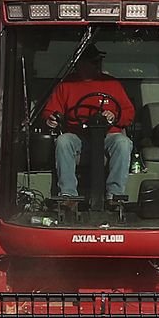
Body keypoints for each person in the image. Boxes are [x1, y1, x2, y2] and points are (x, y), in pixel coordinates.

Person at [39, 45, 136, 203]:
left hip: (108, 136)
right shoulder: (67, 85)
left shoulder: (112, 84)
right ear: (79, 63)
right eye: (88, 62)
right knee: (63, 141)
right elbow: (50, 111)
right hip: (79, 137)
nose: (93, 66)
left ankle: (115, 195)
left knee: (123, 143)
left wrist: (114, 115)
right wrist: (51, 118)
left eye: (94, 62)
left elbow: (129, 113)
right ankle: (68, 195)